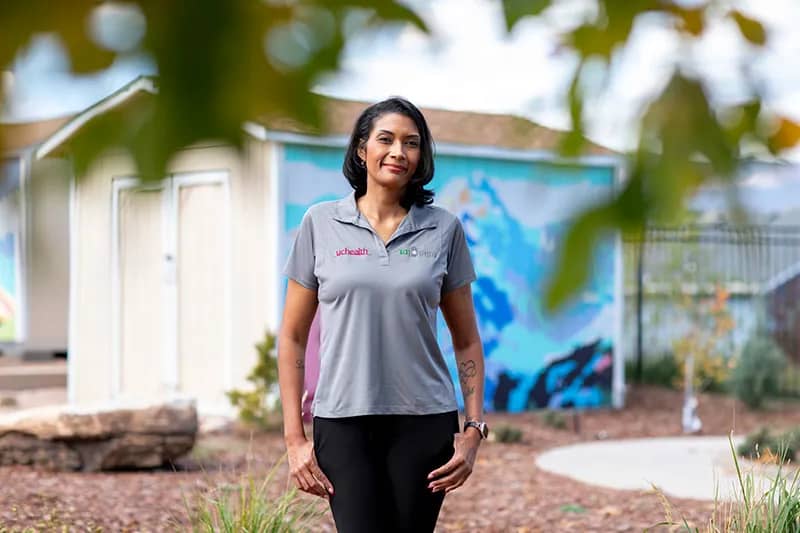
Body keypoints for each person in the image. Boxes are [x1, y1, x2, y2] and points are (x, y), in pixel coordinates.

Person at [278, 96, 487, 533]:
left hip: (424, 421)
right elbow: (293, 336)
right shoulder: (320, 223)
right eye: (386, 139)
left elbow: (466, 340)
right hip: (342, 421)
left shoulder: (443, 229)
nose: (398, 152)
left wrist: (473, 432)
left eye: (411, 143)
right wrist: (294, 439)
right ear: (361, 149)